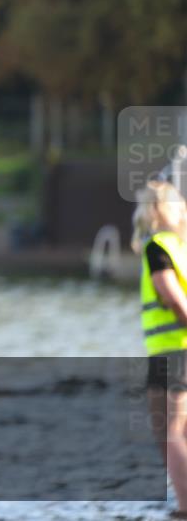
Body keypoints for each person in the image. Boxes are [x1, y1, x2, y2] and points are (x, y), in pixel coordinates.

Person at [132, 180, 187, 518]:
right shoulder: (182, 248)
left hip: (171, 353)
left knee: (169, 431)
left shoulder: (158, 247)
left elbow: (171, 295)